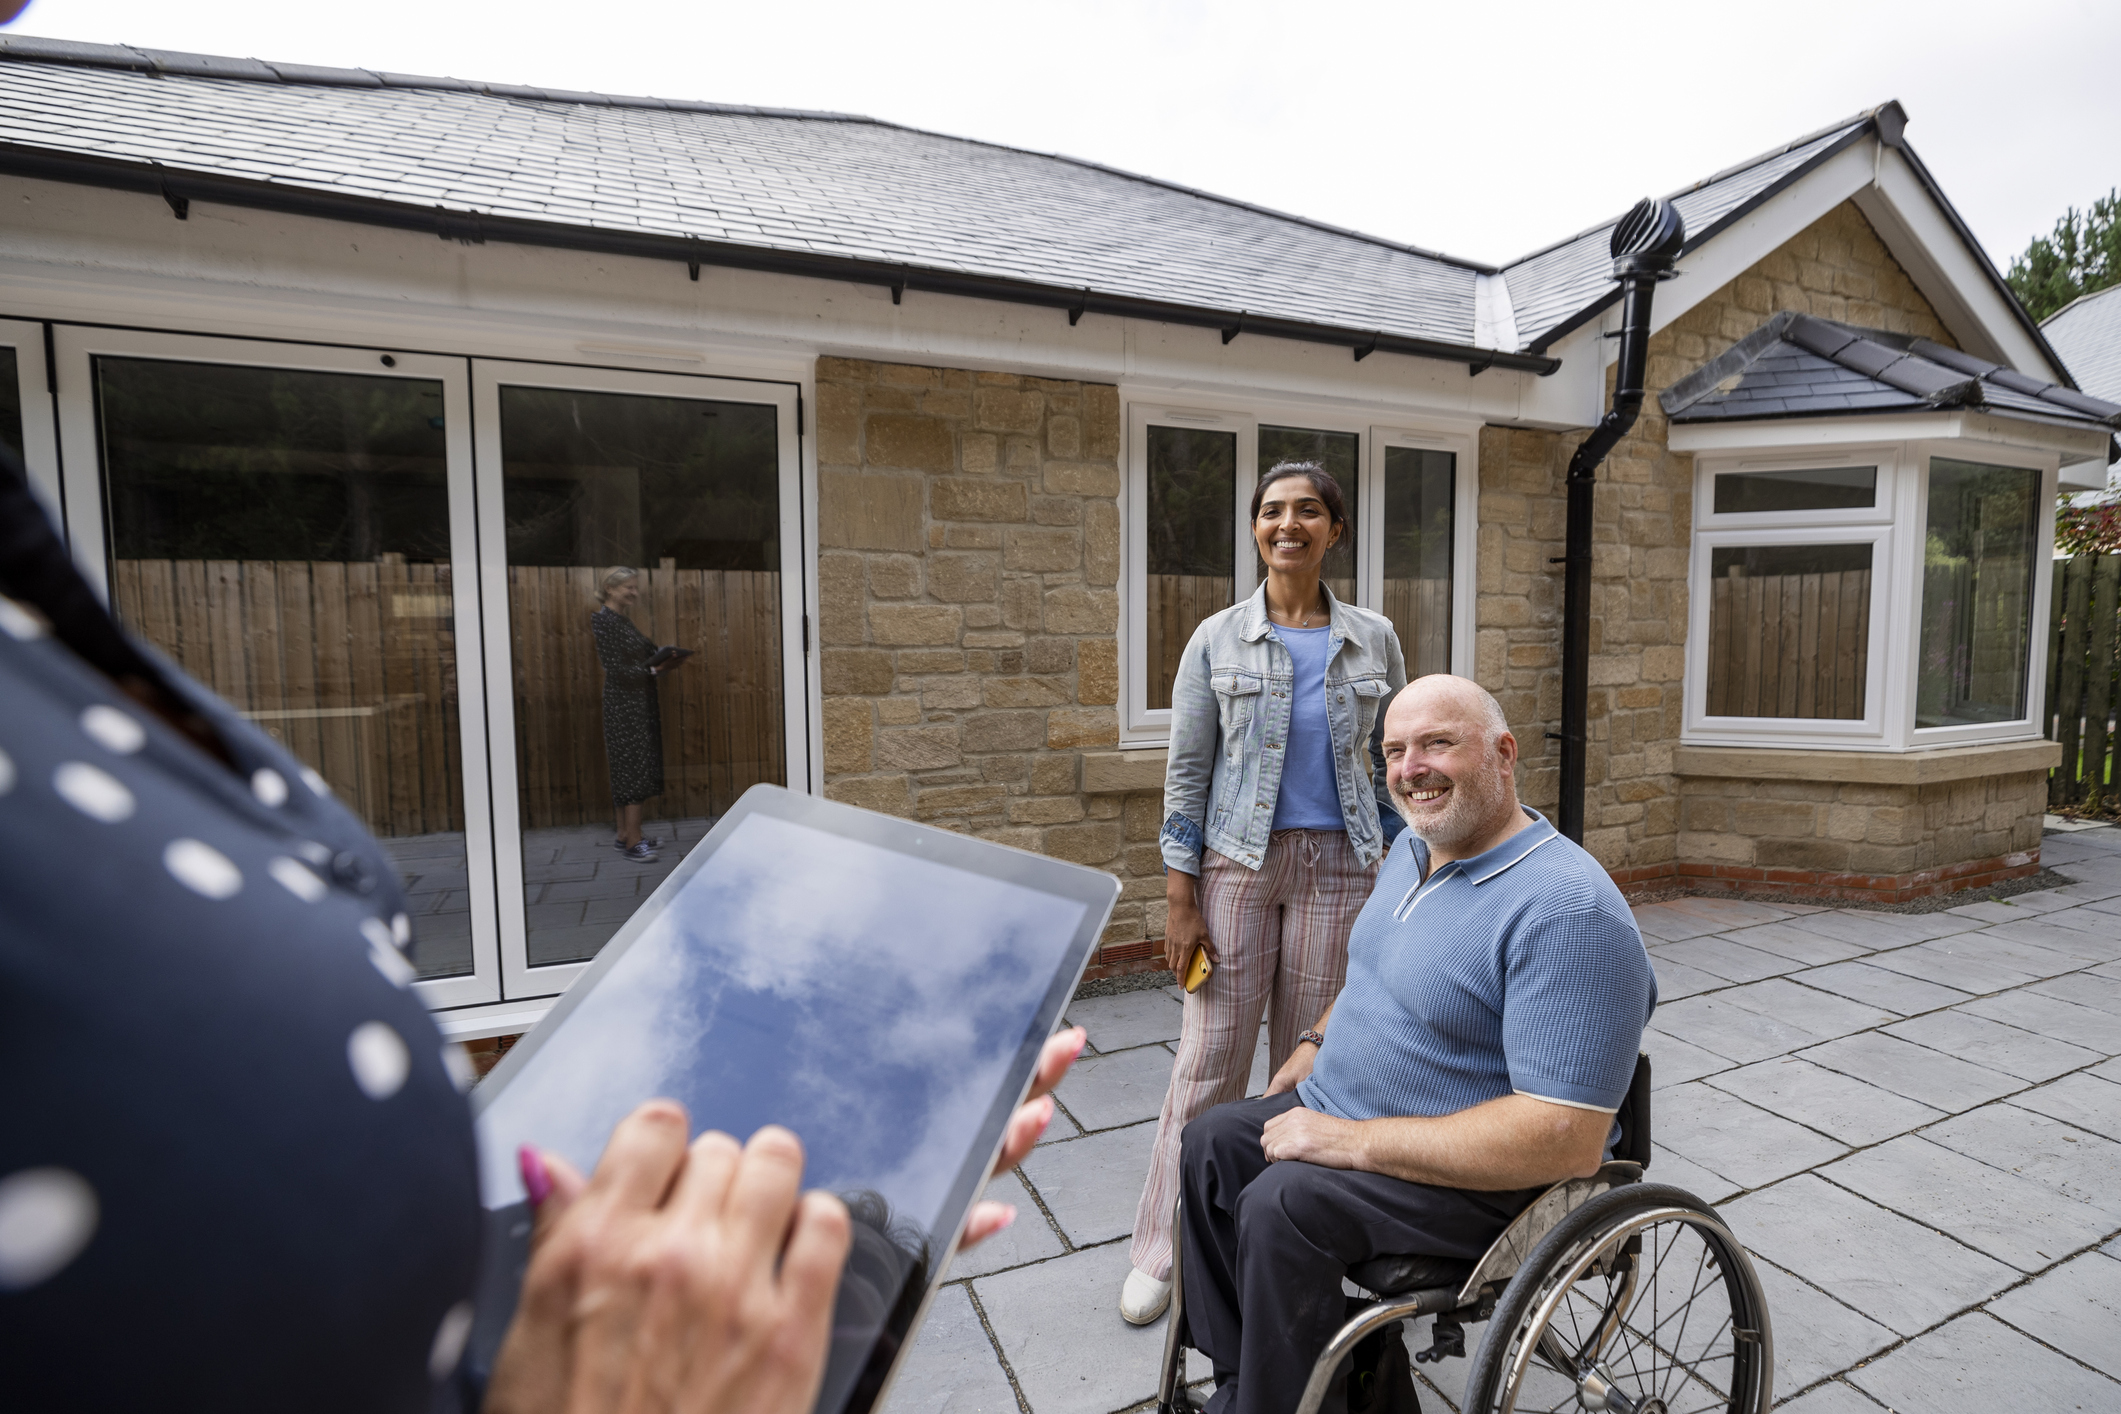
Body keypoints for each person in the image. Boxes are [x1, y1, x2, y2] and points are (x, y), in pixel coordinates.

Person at [0, 446, 1081, 1412]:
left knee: (862, 1237)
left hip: (536, 1290)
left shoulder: (39, 608)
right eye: (619, 583)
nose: (621, 592)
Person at [1170, 675, 1657, 1414]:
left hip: (1476, 1178)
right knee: (1209, 1144)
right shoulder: (1415, 850)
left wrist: (1353, 1141)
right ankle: (1260, 1384)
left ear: (1502, 753)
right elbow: (1380, 966)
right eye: (1394, 749)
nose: (1408, 769)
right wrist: (1313, 1037)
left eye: (1436, 743)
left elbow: (1562, 1141)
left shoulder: (1568, 912)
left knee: (1282, 1204)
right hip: (1346, 1106)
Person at [1122, 461, 1407, 1325]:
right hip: (1236, 870)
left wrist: (1404, 871)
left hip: (1343, 867)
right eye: (1273, 512)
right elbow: (1186, 773)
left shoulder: (1374, 639)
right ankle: (1163, 1248)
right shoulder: (1215, 639)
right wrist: (1180, 899)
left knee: (1306, 1063)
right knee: (1208, 1061)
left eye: (1308, 511)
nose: (1289, 525)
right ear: (1255, 530)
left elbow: (1388, 763)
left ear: (1334, 530)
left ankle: (1272, 1244)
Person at [592, 566, 675, 862]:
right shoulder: (604, 621)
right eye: (629, 587)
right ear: (611, 588)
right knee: (633, 770)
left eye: (635, 587)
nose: (634, 592)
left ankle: (625, 834)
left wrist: (665, 655)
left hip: (636, 703)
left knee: (628, 767)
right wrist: (653, 668)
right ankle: (633, 843)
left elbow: (640, 654)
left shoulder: (619, 621)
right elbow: (616, 669)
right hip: (624, 706)